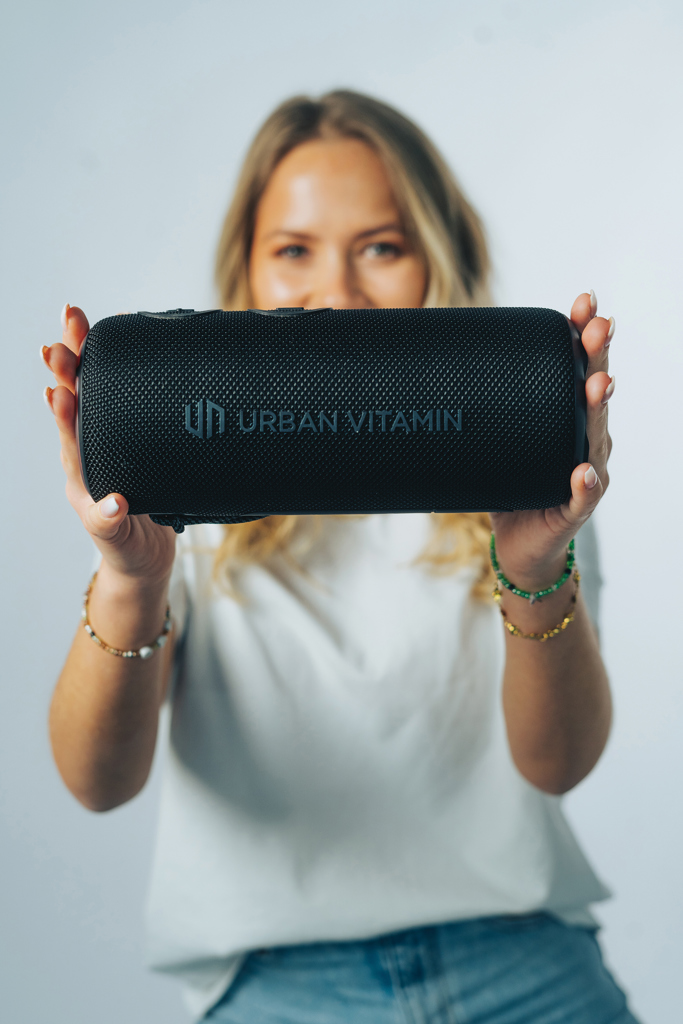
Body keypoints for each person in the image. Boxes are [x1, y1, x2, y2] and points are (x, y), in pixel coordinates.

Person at [43, 90, 636, 1023]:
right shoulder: (185, 493)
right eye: (294, 250)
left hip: (522, 965)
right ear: (245, 269)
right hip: (278, 985)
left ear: (439, 260)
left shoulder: (519, 478)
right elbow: (98, 782)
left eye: (381, 247)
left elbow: (555, 766)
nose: (338, 293)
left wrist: (530, 567)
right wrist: (132, 575)